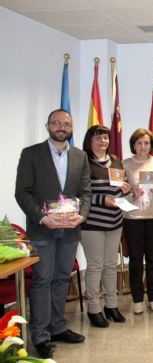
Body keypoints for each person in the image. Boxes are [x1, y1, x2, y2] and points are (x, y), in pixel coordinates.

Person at [15, 109, 90, 358]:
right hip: (42, 230)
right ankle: (40, 335)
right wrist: (42, 217)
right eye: (56, 123)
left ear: (72, 127)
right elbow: (22, 192)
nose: (61, 127)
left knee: (61, 279)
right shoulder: (31, 154)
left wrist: (83, 215)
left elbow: (86, 192)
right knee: (42, 281)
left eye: (66, 123)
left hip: (70, 230)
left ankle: (58, 327)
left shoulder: (80, 156)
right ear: (47, 125)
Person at [81, 125, 131, 327]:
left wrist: (126, 190)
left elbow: (119, 190)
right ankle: (94, 309)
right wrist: (103, 199)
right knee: (95, 266)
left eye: (106, 138)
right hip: (92, 223)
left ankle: (111, 305)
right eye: (98, 138)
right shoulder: (83, 162)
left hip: (115, 221)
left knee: (111, 265)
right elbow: (79, 193)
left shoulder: (116, 162)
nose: (103, 142)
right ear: (90, 140)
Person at [122, 128, 153, 314]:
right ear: (133, 145)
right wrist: (132, 194)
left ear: (151, 145)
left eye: (146, 143)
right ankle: (137, 299)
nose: (143, 146)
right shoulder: (124, 164)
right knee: (135, 259)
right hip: (132, 216)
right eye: (139, 143)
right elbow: (118, 194)